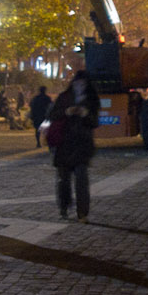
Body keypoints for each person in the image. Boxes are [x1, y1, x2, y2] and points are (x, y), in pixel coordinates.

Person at [49, 70, 101, 223]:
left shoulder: (92, 100)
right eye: (77, 83)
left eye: (83, 84)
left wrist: (85, 114)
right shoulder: (64, 97)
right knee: (63, 181)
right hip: (64, 144)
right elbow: (52, 115)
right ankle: (64, 208)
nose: (80, 86)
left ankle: (82, 213)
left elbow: (95, 122)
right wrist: (66, 111)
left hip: (82, 146)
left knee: (82, 181)